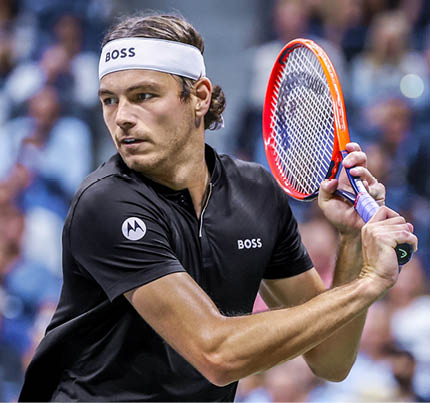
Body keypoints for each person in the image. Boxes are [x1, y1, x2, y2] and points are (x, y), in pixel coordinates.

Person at [18, 13, 417, 402]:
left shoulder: (257, 193)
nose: (121, 118)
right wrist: (368, 281)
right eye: (109, 100)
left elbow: (330, 359)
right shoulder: (105, 203)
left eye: (144, 96)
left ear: (199, 97)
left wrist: (349, 241)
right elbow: (217, 354)